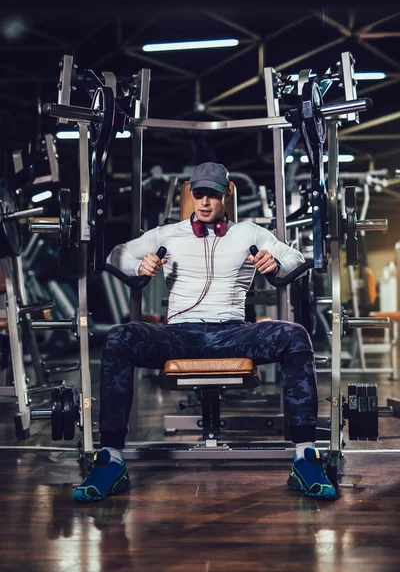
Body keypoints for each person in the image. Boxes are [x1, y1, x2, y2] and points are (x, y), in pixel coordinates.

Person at [73, 162, 336, 502]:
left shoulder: (250, 233)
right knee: (120, 336)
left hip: (233, 332)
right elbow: (116, 253)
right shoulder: (167, 234)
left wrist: (275, 262)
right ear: (191, 195)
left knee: (295, 334)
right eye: (199, 194)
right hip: (179, 334)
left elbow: (296, 257)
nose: (205, 202)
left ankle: (305, 456)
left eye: (213, 194)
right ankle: (111, 458)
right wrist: (139, 265)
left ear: (227, 193)